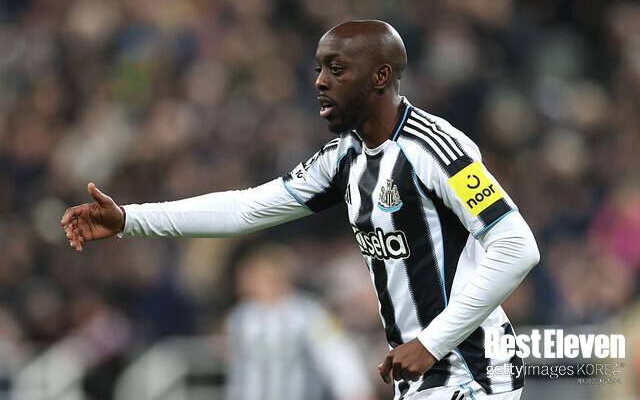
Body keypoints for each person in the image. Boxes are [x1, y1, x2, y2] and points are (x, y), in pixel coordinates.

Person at [61, 20, 540, 399]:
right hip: (424, 375)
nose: (320, 82)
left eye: (336, 69)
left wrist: (432, 342)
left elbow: (517, 246)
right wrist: (130, 220)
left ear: (380, 77)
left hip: (473, 371)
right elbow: (246, 209)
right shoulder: (344, 158)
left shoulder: (432, 147)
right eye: (319, 68)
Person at [225, 244, 374, 400]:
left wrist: (356, 391)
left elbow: (339, 356)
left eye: (255, 274)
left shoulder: (311, 313)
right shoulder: (240, 317)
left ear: (275, 277)